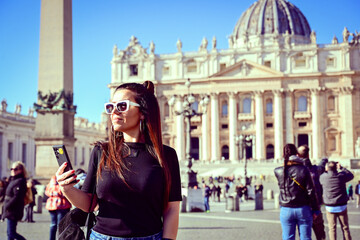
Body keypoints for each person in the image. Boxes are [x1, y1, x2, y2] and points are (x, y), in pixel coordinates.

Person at [55, 81, 182, 240]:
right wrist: (67, 189)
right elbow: (89, 204)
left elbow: (172, 208)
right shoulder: (101, 151)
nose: (114, 112)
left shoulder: (166, 155)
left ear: (142, 112)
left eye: (122, 106)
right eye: (110, 107)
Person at [274, 144, 319, 240]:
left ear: (283, 154)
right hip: (303, 208)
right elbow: (311, 191)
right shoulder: (304, 169)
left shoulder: (277, 171)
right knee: (306, 238)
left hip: (286, 209)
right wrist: (315, 209)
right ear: (297, 154)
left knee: (288, 238)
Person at [298, 145, 327, 240]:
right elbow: (322, 165)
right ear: (308, 154)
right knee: (320, 234)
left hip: (302, 208)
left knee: (304, 236)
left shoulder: (296, 171)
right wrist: (324, 158)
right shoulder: (316, 170)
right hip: (316, 207)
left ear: (298, 155)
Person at [320, 161, 354, 240]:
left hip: (330, 206)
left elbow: (323, 175)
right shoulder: (341, 176)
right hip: (341, 205)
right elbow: (351, 175)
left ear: (327, 168)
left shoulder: (323, 177)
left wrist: (327, 169)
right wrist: (341, 168)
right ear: (336, 168)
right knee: (345, 228)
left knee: (332, 229)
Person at [3, 161, 28, 240]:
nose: (13, 170)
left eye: (15, 169)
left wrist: (7, 205)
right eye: (11, 169)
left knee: (11, 233)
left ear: (20, 170)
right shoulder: (12, 180)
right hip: (9, 209)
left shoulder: (20, 181)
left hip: (14, 209)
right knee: (9, 234)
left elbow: (17, 196)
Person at [45, 175, 72, 240]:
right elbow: (63, 193)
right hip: (62, 205)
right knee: (60, 225)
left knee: (53, 224)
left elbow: (47, 192)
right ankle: (60, 238)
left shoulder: (50, 183)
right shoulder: (62, 182)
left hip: (51, 205)